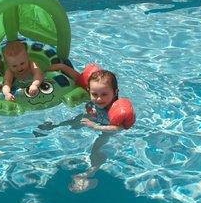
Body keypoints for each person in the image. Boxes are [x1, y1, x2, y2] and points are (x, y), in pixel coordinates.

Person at [45, 63, 134, 192]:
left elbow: (119, 128)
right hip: (94, 118)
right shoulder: (94, 94)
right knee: (75, 121)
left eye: (104, 94)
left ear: (115, 93)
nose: (98, 99)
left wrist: (96, 127)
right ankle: (54, 126)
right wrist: (60, 66)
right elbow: (76, 77)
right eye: (94, 94)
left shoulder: (116, 108)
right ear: (89, 91)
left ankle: (87, 174)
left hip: (106, 129)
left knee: (96, 149)